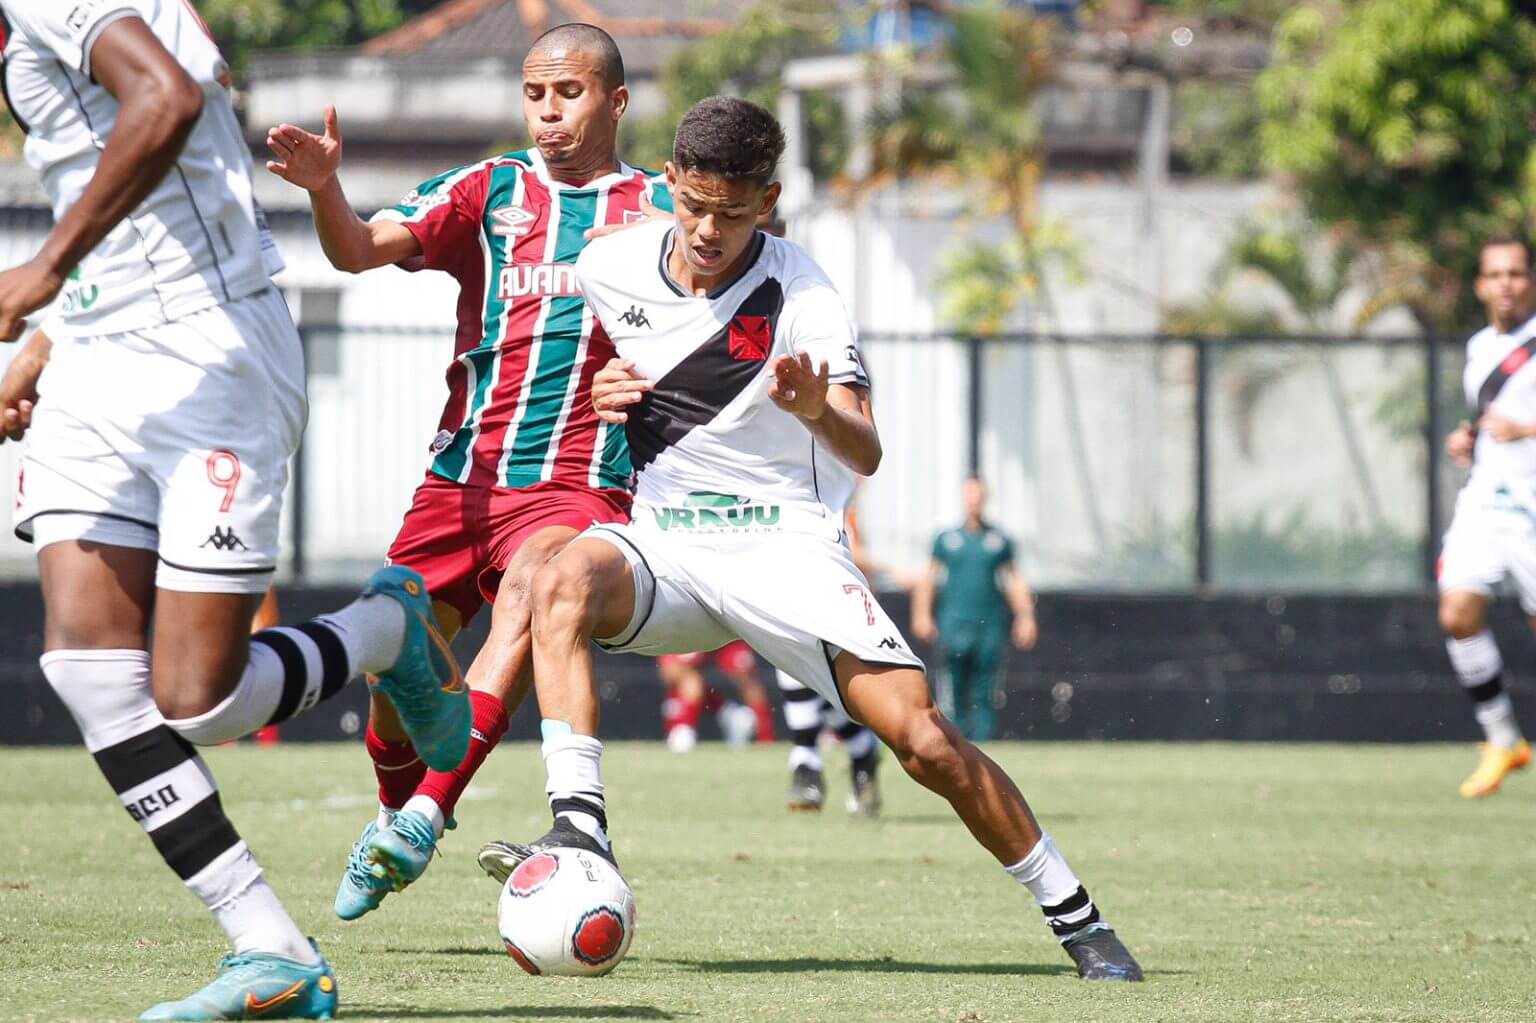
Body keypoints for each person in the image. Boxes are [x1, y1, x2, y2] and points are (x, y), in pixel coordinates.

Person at [479, 96, 1143, 981]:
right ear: (669, 182)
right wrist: (608, 389)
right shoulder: (609, 266)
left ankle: (1078, 917)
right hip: (666, 548)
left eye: (735, 211)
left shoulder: (804, 292)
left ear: (770, 199)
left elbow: (865, 446)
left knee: (926, 742)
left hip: (782, 547)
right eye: (697, 206)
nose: (711, 230)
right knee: (557, 576)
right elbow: (620, 377)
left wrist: (813, 406)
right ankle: (581, 829)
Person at [0, 4, 466, 1019]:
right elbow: (116, 167)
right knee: (84, 669)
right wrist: (48, 340)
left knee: (198, 701)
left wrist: (40, 272)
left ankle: (387, 630)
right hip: (99, 357)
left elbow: (164, 101)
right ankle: (270, 948)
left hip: (208, 354)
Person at [263, 22, 669, 916]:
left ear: (616, 100)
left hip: (576, 482)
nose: (548, 110)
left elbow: (717, 330)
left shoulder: (662, 212)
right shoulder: (489, 189)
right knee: (392, 671)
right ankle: (393, 805)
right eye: (535, 94)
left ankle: (424, 814)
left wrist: (649, 381)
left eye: (568, 92)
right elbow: (359, 252)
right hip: (461, 480)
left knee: (534, 590)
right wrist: (327, 191)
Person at [1438, 233, 1536, 798]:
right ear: (1481, 285)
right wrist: (1468, 437)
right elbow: (1490, 415)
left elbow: (1520, 420)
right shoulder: (1479, 348)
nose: (1506, 284)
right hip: (1485, 500)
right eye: (1495, 274)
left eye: (1517, 274)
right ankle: (1503, 739)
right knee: (1457, 613)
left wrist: (1525, 431)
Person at [911, 477, 1038, 742]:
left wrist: (1025, 616)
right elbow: (929, 578)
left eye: (978, 496)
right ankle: (956, 741)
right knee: (953, 686)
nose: (973, 501)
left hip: (989, 624)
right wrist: (922, 614)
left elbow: (1014, 579)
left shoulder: (999, 540)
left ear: (985, 499)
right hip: (954, 623)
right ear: (962, 499)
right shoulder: (946, 539)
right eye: (969, 495)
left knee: (985, 688)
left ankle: (983, 743)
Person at [657, 641, 777, 751]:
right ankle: (683, 727)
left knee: (747, 677)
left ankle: (766, 740)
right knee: (679, 672)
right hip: (697, 628)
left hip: (727, 625)